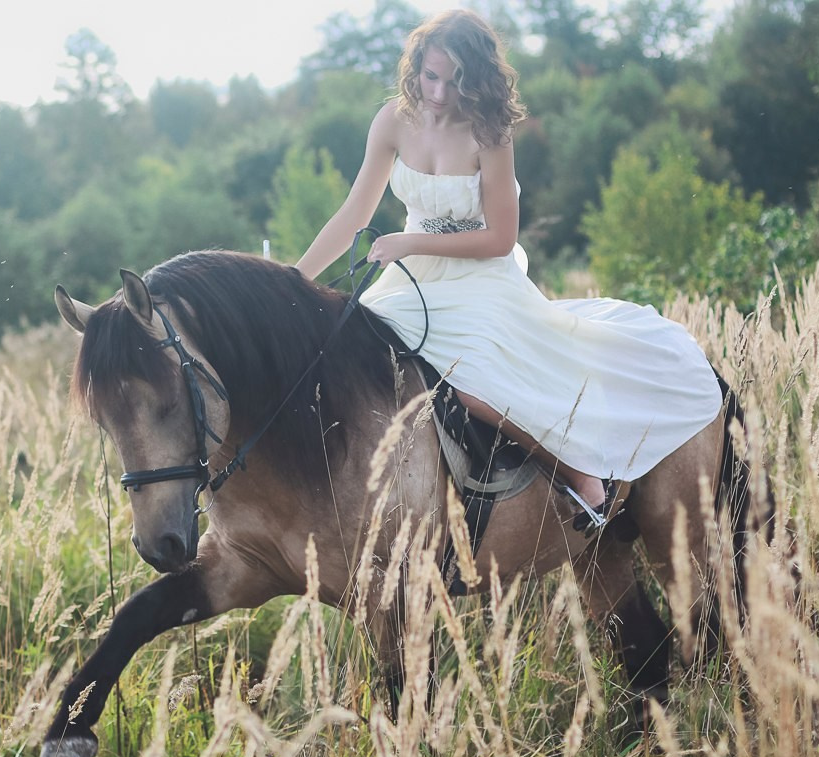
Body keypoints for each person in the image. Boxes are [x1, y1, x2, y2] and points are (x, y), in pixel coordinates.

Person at [294, 9, 721, 525]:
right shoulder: (392, 121)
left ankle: (578, 476)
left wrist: (409, 240)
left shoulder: (488, 132)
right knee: (356, 358)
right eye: (430, 76)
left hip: (480, 278)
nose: (438, 93)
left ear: (476, 79)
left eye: (454, 81)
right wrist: (295, 281)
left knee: (471, 384)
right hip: (413, 282)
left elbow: (500, 238)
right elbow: (352, 215)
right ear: (415, 69)